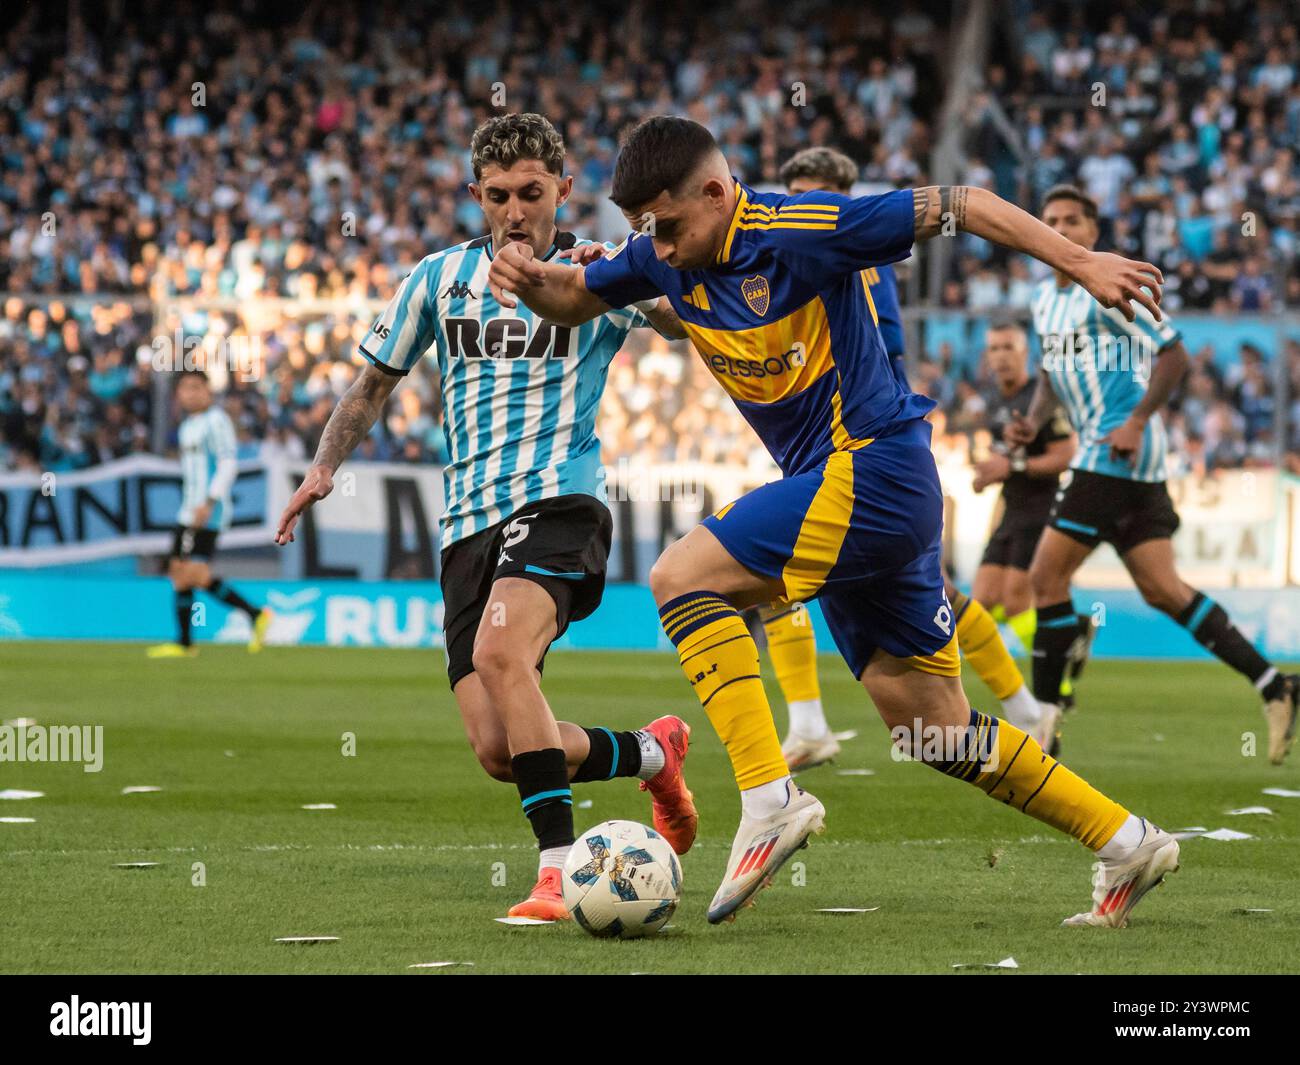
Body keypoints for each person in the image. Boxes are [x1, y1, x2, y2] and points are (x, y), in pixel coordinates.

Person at [488, 116, 1182, 928]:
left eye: (670, 226)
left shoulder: (801, 227)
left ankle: (768, 796)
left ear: (717, 192)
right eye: (646, 229)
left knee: (682, 577)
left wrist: (1079, 260)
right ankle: (1126, 839)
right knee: (934, 729)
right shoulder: (659, 255)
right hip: (862, 494)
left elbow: (960, 200)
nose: (660, 248)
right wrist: (526, 274)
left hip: (874, 468)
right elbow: (572, 300)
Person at [276, 114, 697, 921]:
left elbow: (684, 323)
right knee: (501, 750)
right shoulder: (438, 278)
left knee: (502, 652)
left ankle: (558, 868)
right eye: (498, 196)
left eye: (531, 194)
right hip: (467, 524)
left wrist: (640, 267)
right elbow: (372, 383)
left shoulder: (593, 272)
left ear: (563, 192)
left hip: (559, 502)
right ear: (477, 195)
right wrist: (324, 465)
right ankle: (653, 752)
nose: (515, 211)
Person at [1011, 184, 1298, 764]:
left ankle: (1043, 727)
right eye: (1051, 220)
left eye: (1073, 219)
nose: (1061, 229)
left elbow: (1174, 354)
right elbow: (1050, 369)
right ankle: (1276, 685)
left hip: (1114, 453)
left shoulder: (1108, 283)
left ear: (1094, 231)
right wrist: (1034, 420)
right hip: (1119, 463)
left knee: (1045, 580)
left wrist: (1139, 420)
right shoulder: (1045, 301)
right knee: (1163, 590)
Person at [147, 369, 271, 658]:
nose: (189, 394)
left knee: (195, 573)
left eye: (195, 387)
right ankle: (185, 643)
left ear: (207, 390)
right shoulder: (187, 426)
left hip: (206, 510)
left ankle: (254, 614)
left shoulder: (217, 421)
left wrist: (210, 501)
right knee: (179, 572)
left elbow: (229, 463)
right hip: (187, 509)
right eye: (184, 389)